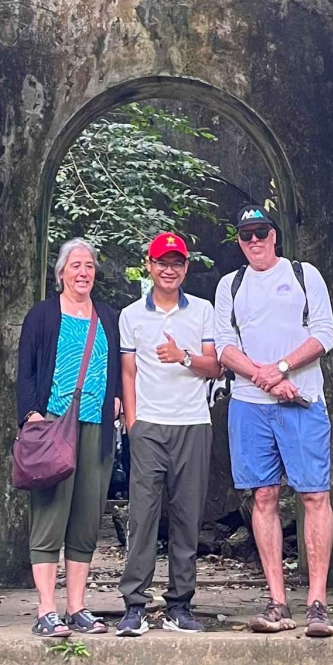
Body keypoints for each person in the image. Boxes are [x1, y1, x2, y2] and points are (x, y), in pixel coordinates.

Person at [214, 204, 333, 638]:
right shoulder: (231, 285)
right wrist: (265, 380)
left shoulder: (304, 275)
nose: (254, 242)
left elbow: (325, 333)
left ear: (274, 236)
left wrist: (282, 369)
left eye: (261, 233)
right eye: (246, 235)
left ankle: (318, 603)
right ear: (240, 241)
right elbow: (225, 348)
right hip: (251, 404)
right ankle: (277, 601)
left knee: (313, 496)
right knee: (263, 496)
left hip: (302, 401)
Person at [115, 232, 222, 637]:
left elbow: (214, 367)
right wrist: (133, 422)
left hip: (193, 422)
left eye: (177, 263)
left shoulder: (203, 310)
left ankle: (180, 603)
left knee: (186, 515)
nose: (169, 269)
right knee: (142, 515)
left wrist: (184, 357)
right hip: (149, 425)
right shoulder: (131, 315)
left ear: (186, 268)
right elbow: (129, 371)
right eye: (162, 262)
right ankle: (135, 605)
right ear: (150, 265)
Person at [15, 238, 122, 638]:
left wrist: (118, 402)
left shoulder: (107, 317)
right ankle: (46, 609)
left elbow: (116, 367)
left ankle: (76, 606)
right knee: (50, 514)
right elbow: (25, 371)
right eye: (75, 265)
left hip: (96, 425)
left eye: (89, 266)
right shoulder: (42, 316)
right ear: (61, 273)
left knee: (85, 517)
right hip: (53, 423)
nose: (83, 272)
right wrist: (31, 414)